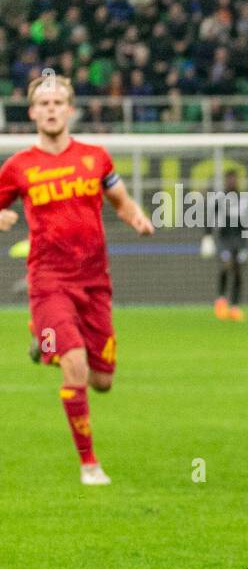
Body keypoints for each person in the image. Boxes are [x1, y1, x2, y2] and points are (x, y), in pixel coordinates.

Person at [0, 74, 155, 484]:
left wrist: (136, 216)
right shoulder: (17, 168)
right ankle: (89, 464)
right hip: (48, 280)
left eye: (58, 102)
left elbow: (119, 200)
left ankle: (43, 338)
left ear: (70, 110)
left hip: (94, 282)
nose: (51, 109)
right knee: (75, 367)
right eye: (43, 103)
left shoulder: (96, 158)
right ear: (32, 112)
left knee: (102, 381)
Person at [200, 168, 248, 321]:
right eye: (229, 179)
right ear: (225, 181)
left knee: (238, 272)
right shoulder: (220, 199)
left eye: (234, 179)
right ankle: (221, 300)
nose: (231, 182)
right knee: (226, 265)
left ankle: (235, 307)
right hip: (224, 240)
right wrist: (207, 237)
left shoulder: (245, 199)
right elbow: (210, 217)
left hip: (241, 240)